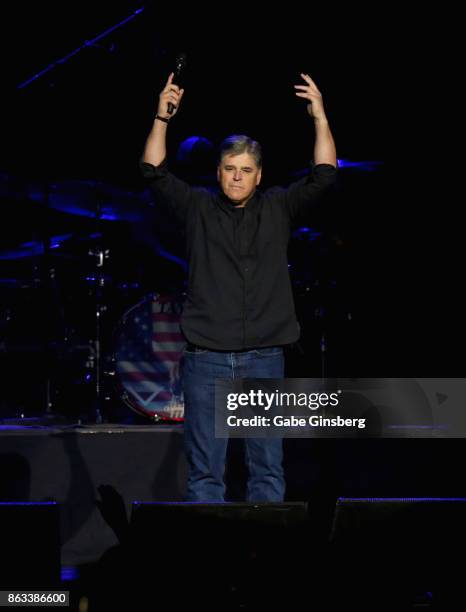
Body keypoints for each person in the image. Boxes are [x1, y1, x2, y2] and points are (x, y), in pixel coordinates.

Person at [140, 71, 337, 502]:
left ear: (259, 175)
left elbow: (324, 175)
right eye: (229, 169)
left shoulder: (279, 206)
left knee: (266, 473)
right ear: (218, 171)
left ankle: (263, 561)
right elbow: (153, 172)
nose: (236, 177)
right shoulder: (196, 207)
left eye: (245, 170)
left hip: (264, 357)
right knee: (205, 475)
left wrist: (319, 116)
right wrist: (162, 116)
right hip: (207, 358)